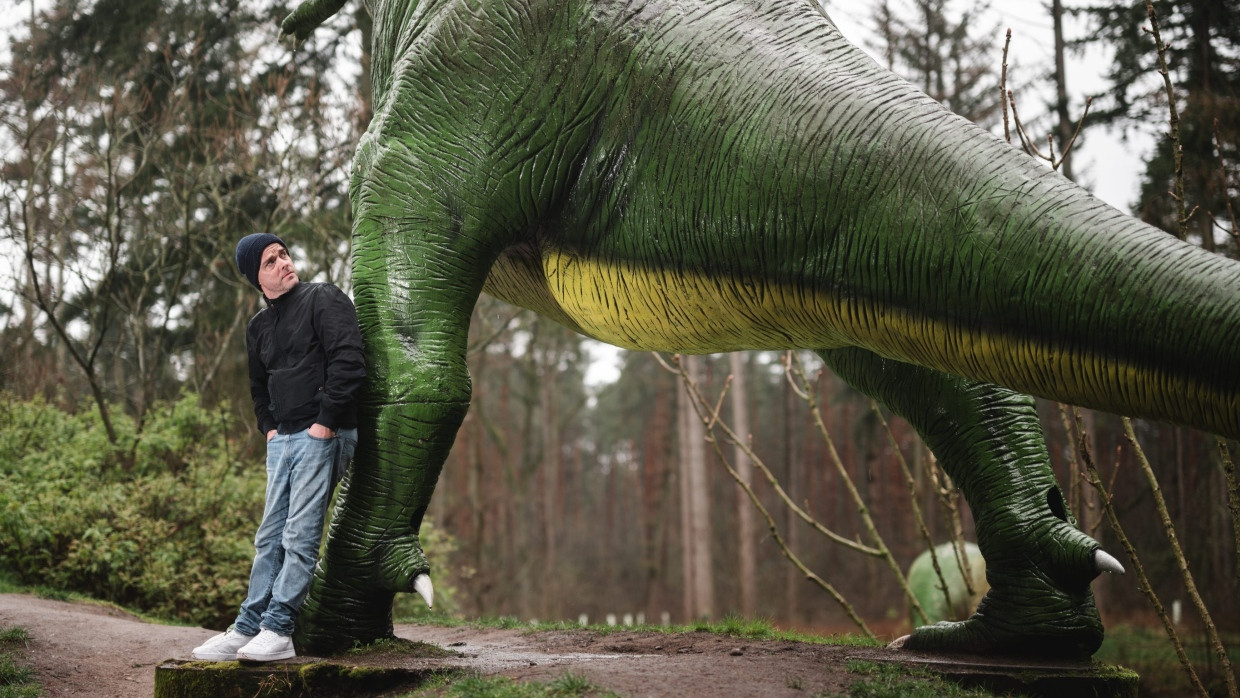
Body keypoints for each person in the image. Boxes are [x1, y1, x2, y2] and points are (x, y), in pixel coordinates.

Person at [191, 233, 366, 662]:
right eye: (271, 261)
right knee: (269, 537)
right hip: (283, 440)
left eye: (284, 254)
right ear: (257, 277)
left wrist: (325, 424)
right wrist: (269, 430)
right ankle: (247, 628)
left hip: (324, 434)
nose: (284, 263)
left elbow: (349, 360)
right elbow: (257, 387)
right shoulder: (258, 327)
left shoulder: (323, 298)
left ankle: (280, 629)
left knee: (299, 535)